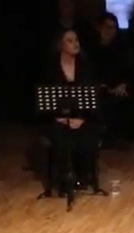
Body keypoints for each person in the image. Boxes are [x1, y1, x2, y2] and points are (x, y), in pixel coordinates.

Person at [42, 29, 105, 206]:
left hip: (83, 116)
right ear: (60, 45)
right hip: (57, 118)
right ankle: (65, 177)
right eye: (70, 40)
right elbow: (44, 97)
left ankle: (83, 176)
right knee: (60, 133)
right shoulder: (51, 66)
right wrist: (57, 117)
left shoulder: (86, 65)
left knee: (87, 133)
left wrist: (82, 118)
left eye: (76, 39)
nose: (75, 43)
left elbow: (95, 96)